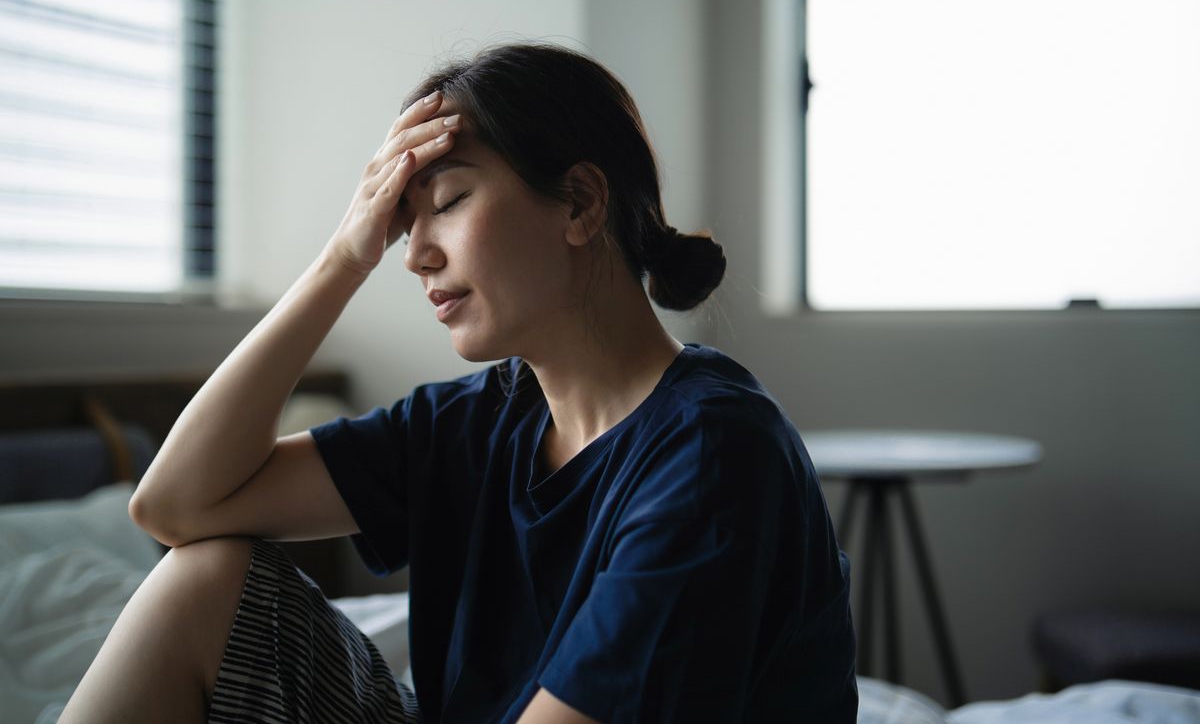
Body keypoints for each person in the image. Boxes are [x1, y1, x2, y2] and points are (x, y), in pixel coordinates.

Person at [60, 43, 857, 723]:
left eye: (448, 203)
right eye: (403, 226)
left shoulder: (714, 452)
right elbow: (174, 507)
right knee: (207, 577)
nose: (413, 255)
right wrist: (344, 259)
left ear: (579, 203)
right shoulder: (481, 420)